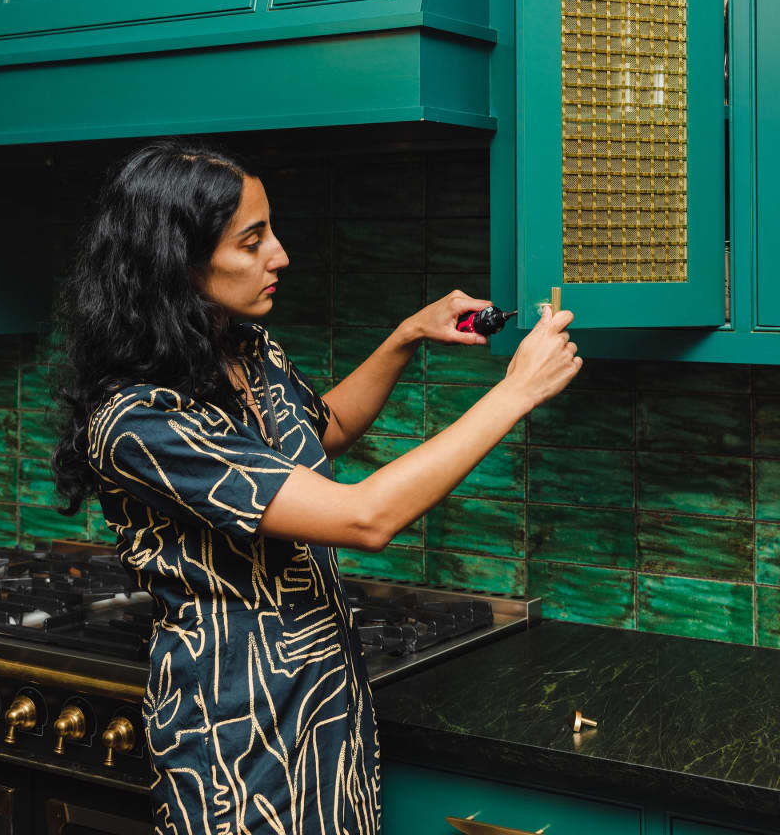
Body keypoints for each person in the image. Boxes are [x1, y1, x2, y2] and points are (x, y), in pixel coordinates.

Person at [51, 139, 581, 835]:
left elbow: (319, 430)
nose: (281, 254)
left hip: (327, 706)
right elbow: (366, 517)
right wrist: (516, 393)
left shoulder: (242, 347)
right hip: (238, 745)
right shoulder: (139, 424)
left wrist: (406, 336)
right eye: (253, 240)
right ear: (177, 261)